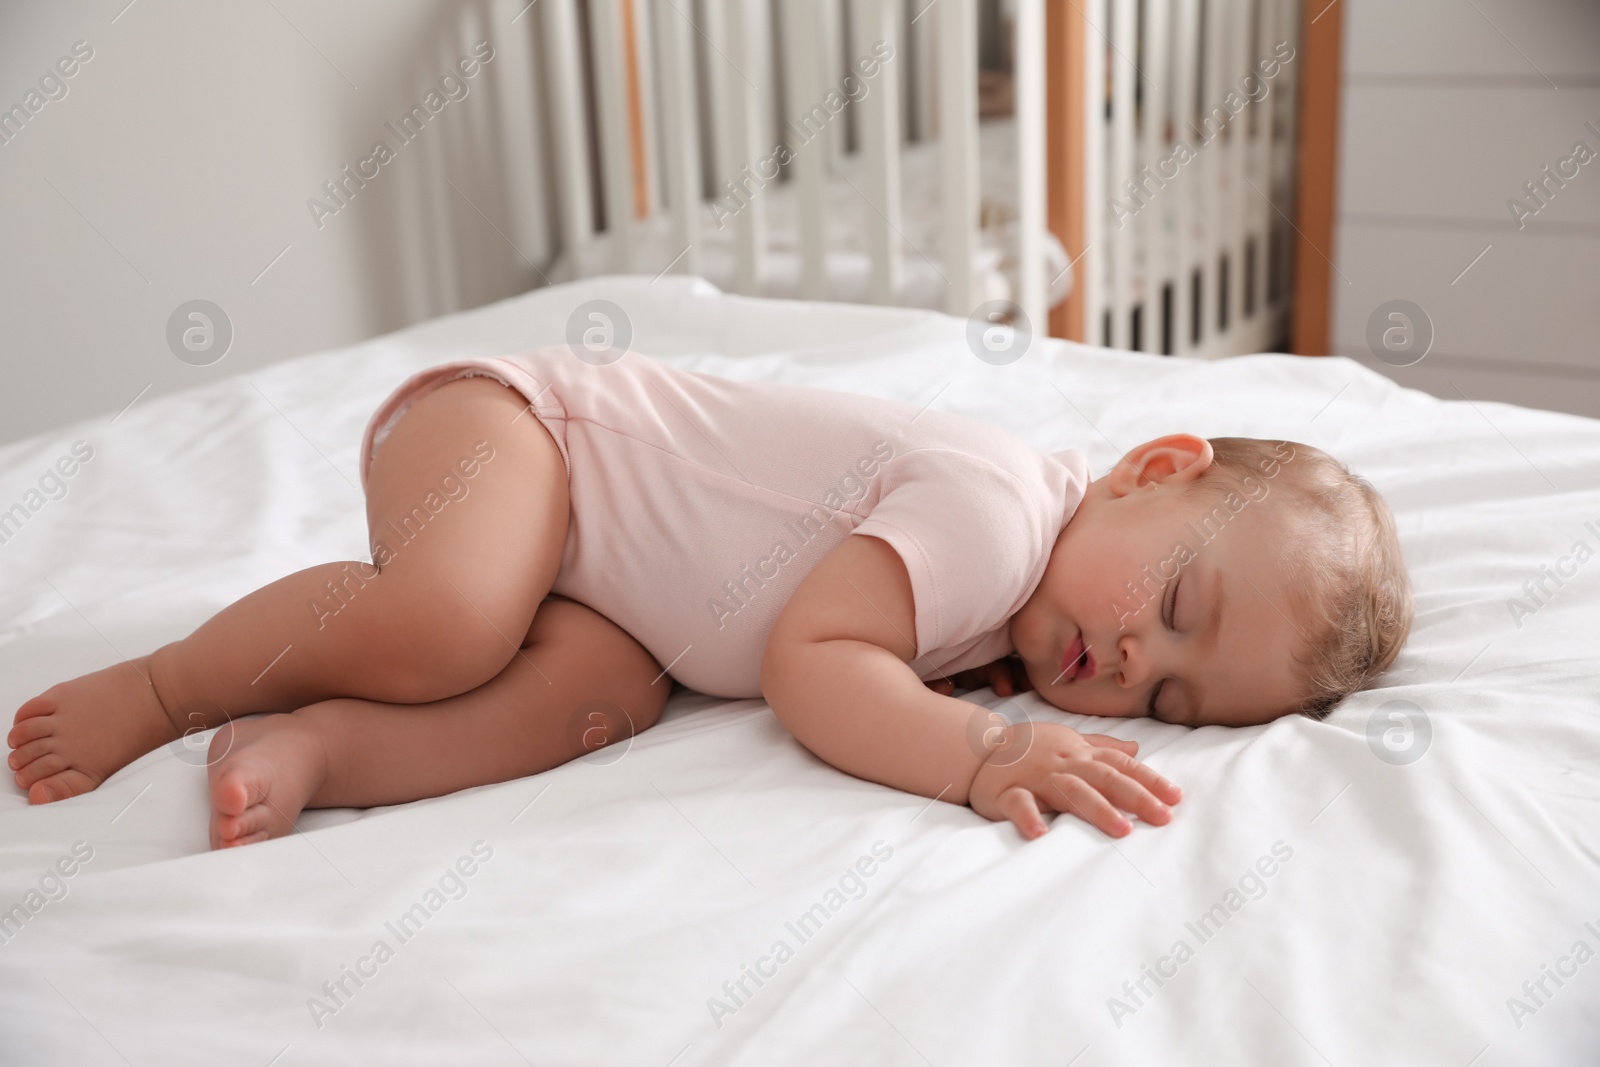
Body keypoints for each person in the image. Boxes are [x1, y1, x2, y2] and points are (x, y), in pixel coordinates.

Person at [6, 348, 1412, 848]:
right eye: (1176, 599)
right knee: (451, 621)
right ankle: (167, 687)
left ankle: (316, 746)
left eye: (1169, 696)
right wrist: (982, 761)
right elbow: (814, 663)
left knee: (595, 701)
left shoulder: (1010, 619)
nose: (1126, 662)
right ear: (1151, 469)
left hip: (615, 590)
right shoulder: (999, 510)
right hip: (519, 431)